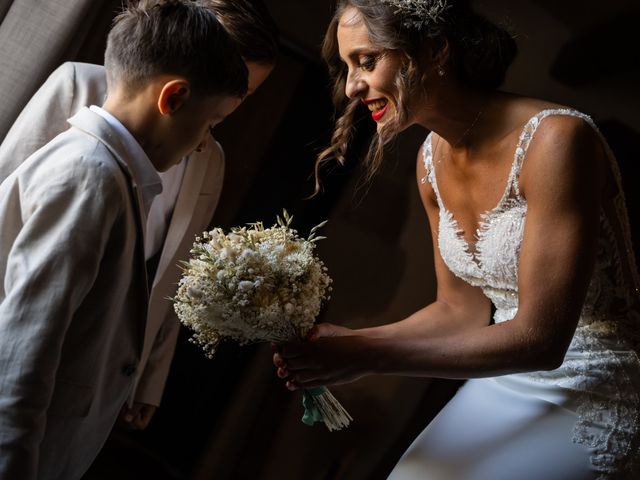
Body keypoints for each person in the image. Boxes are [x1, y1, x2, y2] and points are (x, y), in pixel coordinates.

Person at [273, 1, 640, 479]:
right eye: (346, 68)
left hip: (596, 383)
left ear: (436, 50)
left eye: (367, 61)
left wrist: (367, 356)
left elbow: (542, 341)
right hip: (503, 377)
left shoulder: (558, 139)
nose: (351, 86)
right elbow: (459, 312)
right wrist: (351, 342)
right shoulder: (430, 163)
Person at [0, 0, 278, 433]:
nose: (231, 107)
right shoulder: (80, 96)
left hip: (102, 346)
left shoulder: (210, 158)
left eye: (248, 93)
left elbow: (173, 271)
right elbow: (11, 201)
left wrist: (148, 375)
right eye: (231, 77)